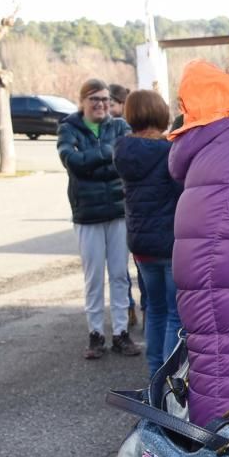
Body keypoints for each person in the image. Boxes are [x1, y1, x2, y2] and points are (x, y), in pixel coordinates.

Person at [57, 78, 141, 359]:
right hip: (87, 215)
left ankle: (120, 333)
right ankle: (95, 334)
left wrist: (92, 161)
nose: (102, 104)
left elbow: (125, 161)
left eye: (105, 99)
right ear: (83, 102)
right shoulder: (69, 128)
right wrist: (107, 154)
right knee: (93, 278)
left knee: (119, 275)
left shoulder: (120, 126)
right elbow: (72, 163)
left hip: (118, 212)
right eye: (95, 99)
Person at [114, 89, 182, 378]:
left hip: (141, 245)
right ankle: (168, 381)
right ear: (160, 113)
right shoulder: (169, 151)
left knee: (153, 309)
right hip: (169, 244)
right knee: (174, 314)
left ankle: (155, 373)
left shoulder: (123, 150)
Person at [108, 82, 143, 331]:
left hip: (132, 219)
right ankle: (132, 307)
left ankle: (133, 308)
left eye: (112, 103)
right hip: (139, 221)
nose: (108, 107)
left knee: (129, 270)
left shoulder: (123, 138)